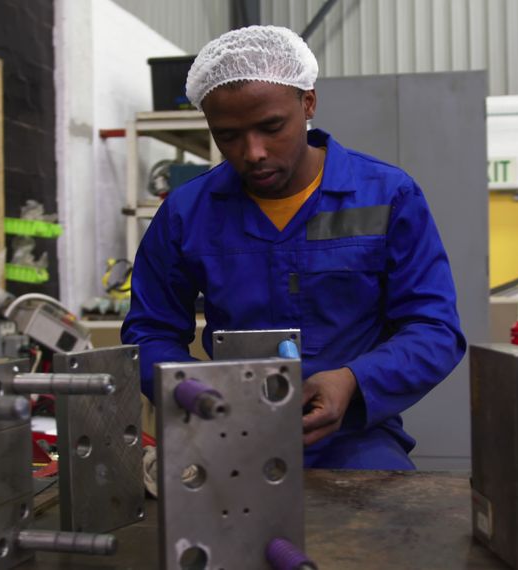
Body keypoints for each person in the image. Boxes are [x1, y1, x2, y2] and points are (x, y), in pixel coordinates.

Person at [122, 25, 464, 469]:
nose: (253, 152)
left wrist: (354, 381)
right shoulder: (186, 214)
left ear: (308, 103)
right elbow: (149, 333)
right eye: (228, 136)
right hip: (228, 433)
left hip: (354, 439)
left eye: (271, 127)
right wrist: (197, 391)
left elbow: (434, 328)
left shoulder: (387, 196)